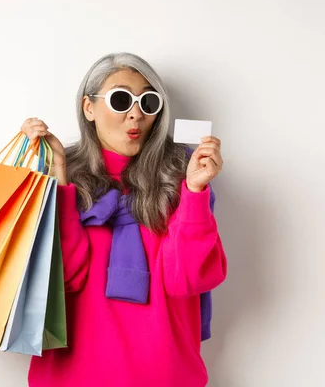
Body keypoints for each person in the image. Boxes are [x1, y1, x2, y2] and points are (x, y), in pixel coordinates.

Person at [21, 52, 227, 387]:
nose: (136, 114)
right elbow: (62, 279)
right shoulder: (61, 176)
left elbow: (187, 279)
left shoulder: (181, 177)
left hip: (164, 372)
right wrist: (58, 175)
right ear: (89, 107)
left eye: (148, 102)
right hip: (71, 374)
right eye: (121, 99)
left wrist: (193, 190)